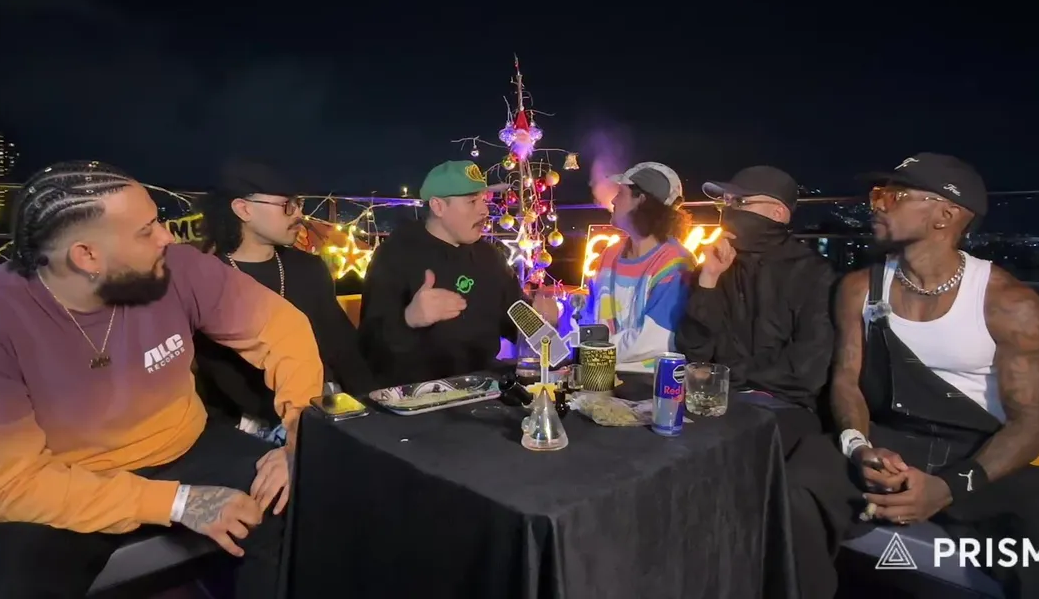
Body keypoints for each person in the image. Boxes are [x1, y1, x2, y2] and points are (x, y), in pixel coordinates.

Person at [0, 161, 325, 599]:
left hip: (185, 446)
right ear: (87, 256)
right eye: (146, 230)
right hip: (64, 481)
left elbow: (281, 329)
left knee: (306, 500)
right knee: (1, 584)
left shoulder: (178, 269)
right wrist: (177, 502)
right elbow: (5, 486)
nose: (167, 237)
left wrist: (298, 436)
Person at [829, 153, 1039, 598]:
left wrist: (947, 488)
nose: (877, 206)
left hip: (979, 456)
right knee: (794, 485)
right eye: (876, 195)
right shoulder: (858, 289)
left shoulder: (1009, 304)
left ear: (945, 215)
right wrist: (859, 447)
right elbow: (847, 379)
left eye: (892, 196)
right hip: (887, 441)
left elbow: (1031, 423)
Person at [673, 165, 847, 599]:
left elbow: (805, 373)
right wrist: (708, 280)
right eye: (724, 203)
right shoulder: (721, 265)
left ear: (777, 213)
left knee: (722, 457)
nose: (727, 211)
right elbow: (695, 350)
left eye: (739, 203)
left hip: (787, 410)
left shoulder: (817, 276)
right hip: (721, 400)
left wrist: (729, 373)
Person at [195, 159, 375, 441]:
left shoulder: (309, 268)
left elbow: (342, 348)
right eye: (287, 205)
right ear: (243, 209)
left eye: (299, 203)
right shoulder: (204, 280)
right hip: (243, 433)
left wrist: (373, 409)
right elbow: (214, 376)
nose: (299, 214)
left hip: (321, 414)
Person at [359, 160, 559, 388]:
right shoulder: (396, 255)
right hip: (416, 393)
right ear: (438, 206)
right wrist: (409, 319)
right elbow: (369, 349)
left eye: (484, 200)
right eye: (472, 201)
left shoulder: (489, 257)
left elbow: (517, 323)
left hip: (485, 387)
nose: (484, 210)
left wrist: (543, 322)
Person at [582, 162, 694, 366]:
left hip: (649, 382)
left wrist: (587, 350)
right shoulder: (609, 255)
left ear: (641, 200)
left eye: (621, 193)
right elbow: (591, 317)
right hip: (596, 376)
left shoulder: (676, 264)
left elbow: (654, 340)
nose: (613, 200)